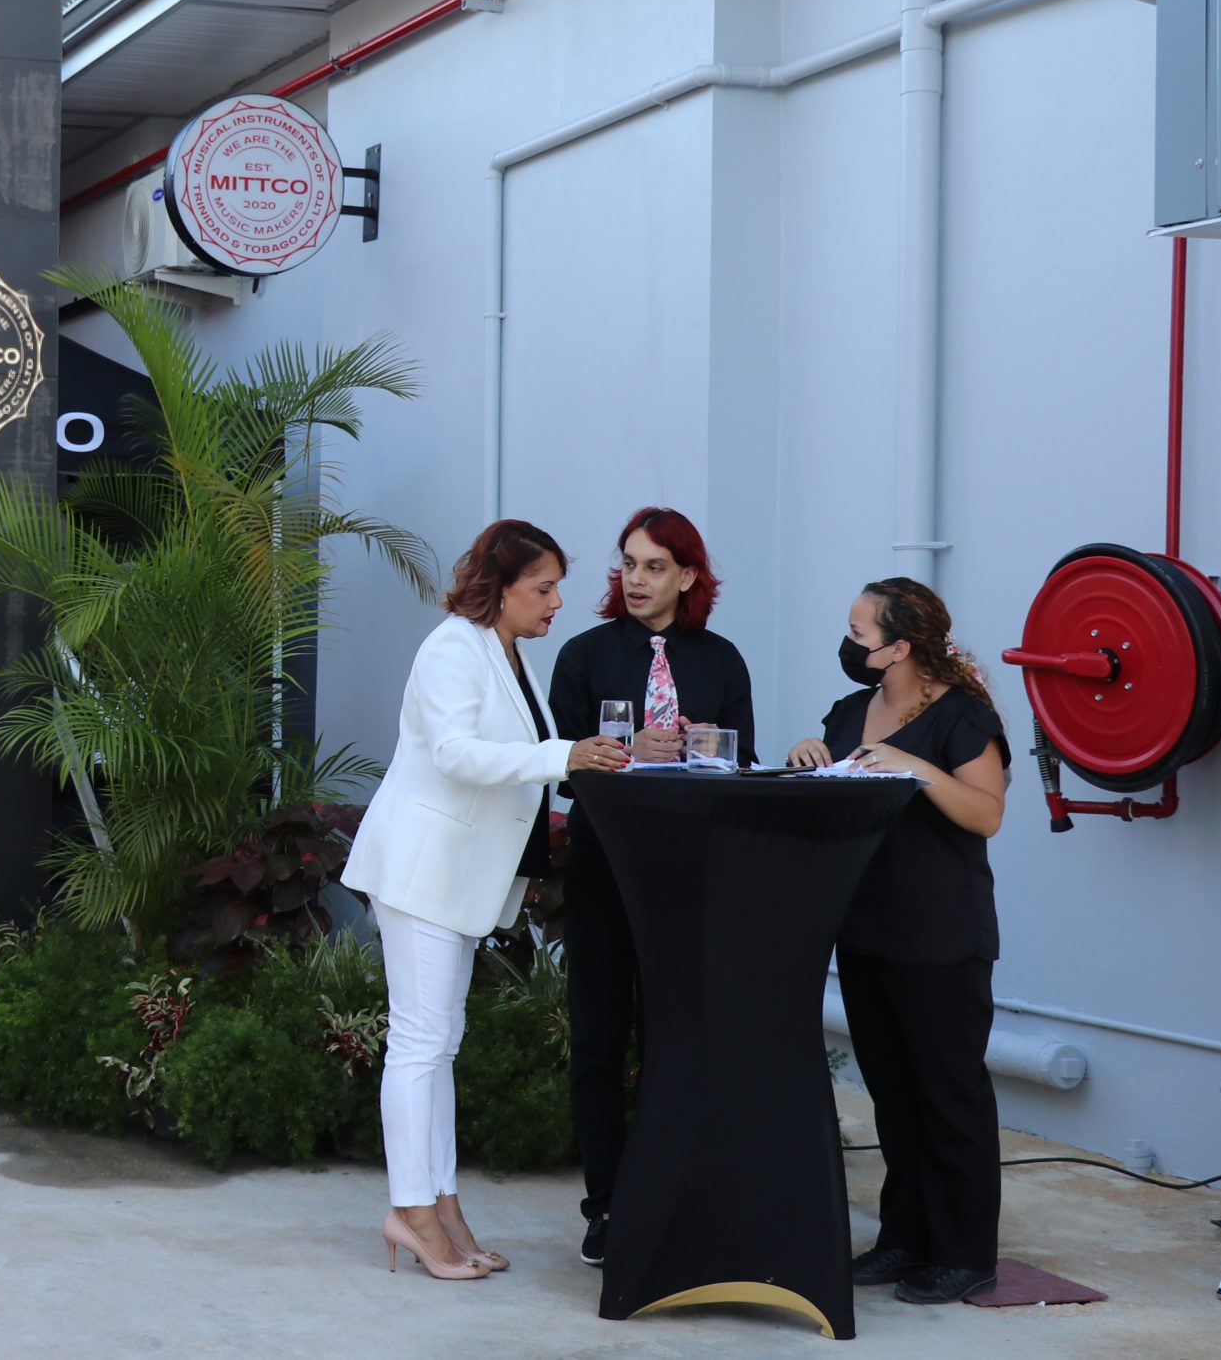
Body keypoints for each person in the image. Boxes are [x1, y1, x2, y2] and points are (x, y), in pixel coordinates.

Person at [340, 519, 630, 1282]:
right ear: (500, 588)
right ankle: (411, 1212)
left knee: (438, 1045)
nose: (557, 601)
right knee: (420, 1045)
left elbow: (513, 752)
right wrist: (565, 754)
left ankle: (441, 1204)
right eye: (544, 587)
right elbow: (454, 753)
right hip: (423, 871)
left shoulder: (506, 650)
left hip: (455, 877)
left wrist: (583, 756)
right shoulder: (451, 648)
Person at [545, 506, 758, 1266]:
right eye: (629, 563)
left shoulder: (722, 660)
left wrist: (705, 748)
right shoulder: (584, 654)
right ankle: (606, 1206)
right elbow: (559, 763)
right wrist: (624, 750)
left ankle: (679, 1195)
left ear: (688, 576)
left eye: (655, 566)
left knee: (680, 1040)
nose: (636, 579)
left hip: (690, 874)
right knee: (598, 1043)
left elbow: (744, 766)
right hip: (605, 867)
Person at [788, 578, 1009, 1307]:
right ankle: (905, 1236)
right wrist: (810, 756)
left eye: (860, 633)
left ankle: (964, 1251)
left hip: (940, 935)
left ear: (900, 646)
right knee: (892, 1094)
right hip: (866, 929)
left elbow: (986, 813)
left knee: (948, 1094)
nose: (849, 643)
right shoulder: (850, 710)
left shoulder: (961, 715)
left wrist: (916, 767)